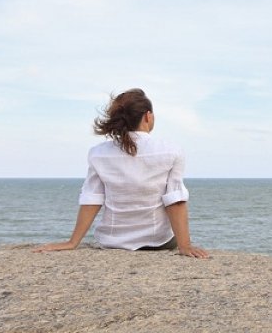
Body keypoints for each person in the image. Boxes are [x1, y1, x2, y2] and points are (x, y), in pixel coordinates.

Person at [34, 88, 208, 258]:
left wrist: (72, 243)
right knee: (168, 236)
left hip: (112, 242)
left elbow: (92, 198)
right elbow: (175, 200)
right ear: (148, 116)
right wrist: (185, 245)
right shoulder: (171, 151)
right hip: (158, 242)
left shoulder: (98, 153)